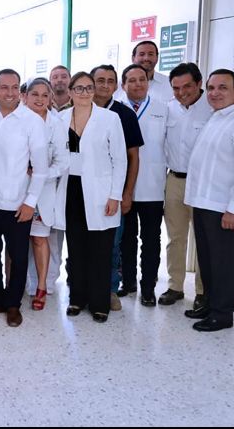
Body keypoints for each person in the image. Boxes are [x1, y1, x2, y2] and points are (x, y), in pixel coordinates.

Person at [184, 69, 234, 331]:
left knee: (223, 262)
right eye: (211, 88)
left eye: (222, 87)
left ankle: (222, 314)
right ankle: (209, 303)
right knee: (206, 260)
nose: (215, 93)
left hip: (224, 208)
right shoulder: (216, 118)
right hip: (204, 203)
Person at [0, 69, 48, 327]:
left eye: (15, 87)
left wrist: (30, 202)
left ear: (20, 90)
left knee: (17, 256)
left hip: (18, 204)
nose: (10, 93)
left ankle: (13, 304)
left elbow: (41, 167)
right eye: (4, 87)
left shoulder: (32, 121)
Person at [59, 72, 127, 323]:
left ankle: (100, 303)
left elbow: (120, 160)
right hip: (70, 189)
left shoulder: (110, 119)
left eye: (89, 88)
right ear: (70, 92)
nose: (84, 92)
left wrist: (115, 196)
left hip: (100, 192)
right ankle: (77, 298)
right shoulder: (61, 117)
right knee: (76, 248)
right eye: (79, 88)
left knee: (100, 249)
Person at [91, 64, 144, 311]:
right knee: (82, 242)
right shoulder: (78, 111)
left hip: (113, 192)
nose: (104, 85)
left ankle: (110, 289)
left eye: (109, 81)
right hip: (82, 191)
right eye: (99, 80)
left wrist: (127, 194)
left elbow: (133, 156)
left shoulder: (124, 114)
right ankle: (82, 285)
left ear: (116, 86)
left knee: (112, 243)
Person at [161, 62, 212, 308]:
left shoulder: (213, 109)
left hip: (204, 183)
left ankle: (203, 291)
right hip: (175, 180)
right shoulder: (169, 109)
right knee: (175, 237)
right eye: (176, 88)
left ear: (199, 84)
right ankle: (175, 286)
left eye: (187, 86)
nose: (182, 92)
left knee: (203, 239)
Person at [118, 64, 168, 306]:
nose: (138, 84)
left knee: (151, 240)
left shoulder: (163, 109)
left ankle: (148, 288)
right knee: (126, 238)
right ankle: (127, 282)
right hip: (122, 187)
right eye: (132, 80)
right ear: (123, 85)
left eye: (142, 80)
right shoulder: (116, 110)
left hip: (152, 186)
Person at [23, 78, 69, 311]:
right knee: (15, 242)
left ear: (51, 98)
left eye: (44, 95)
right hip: (17, 190)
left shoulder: (57, 124)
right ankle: (14, 284)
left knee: (40, 239)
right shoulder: (17, 119)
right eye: (34, 94)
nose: (39, 99)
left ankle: (41, 286)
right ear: (25, 97)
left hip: (43, 191)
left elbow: (63, 161)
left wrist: (42, 173)